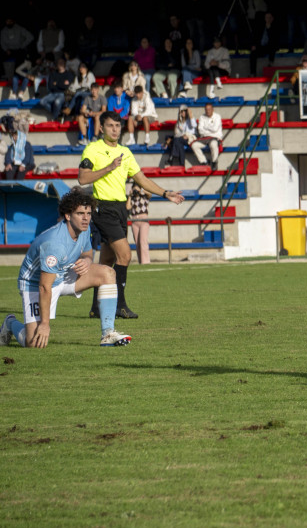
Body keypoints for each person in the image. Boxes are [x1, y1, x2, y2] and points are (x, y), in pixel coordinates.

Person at [77, 111, 185, 319]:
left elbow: (142, 179)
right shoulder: (93, 149)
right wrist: (109, 167)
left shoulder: (125, 152)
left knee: (108, 259)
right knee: (125, 255)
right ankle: (119, 305)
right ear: (101, 128)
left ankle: (96, 307)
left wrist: (165, 193)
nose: (115, 129)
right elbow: (82, 178)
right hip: (102, 207)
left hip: (120, 209)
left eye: (118, 126)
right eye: (110, 126)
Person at [0, 187, 131, 349]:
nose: (86, 218)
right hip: (35, 284)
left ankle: (108, 333)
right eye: (80, 214)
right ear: (68, 216)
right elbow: (44, 286)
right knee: (33, 343)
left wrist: (87, 260)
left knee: (108, 273)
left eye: (88, 214)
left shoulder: (84, 229)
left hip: (63, 275)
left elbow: (88, 251)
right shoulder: (54, 243)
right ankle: (10, 322)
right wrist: (45, 324)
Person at [39, 59, 75, 123]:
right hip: (53, 93)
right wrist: (62, 83)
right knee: (42, 101)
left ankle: (55, 118)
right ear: (57, 65)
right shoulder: (53, 74)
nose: (60, 64)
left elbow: (66, 87)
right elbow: (50, 86)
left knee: (57, 102)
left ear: (64, 64)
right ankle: (58, 113)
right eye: (59, 63)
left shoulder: (69, 74)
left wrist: (56, 83)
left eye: (62, 63)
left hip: (63, 94)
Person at [191, 103, 223, 168]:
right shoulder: (202, 117)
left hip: (215, 137)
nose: (208, 111)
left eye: (209, 109)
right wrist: (209, 130)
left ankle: (214, 162)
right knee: (194, 145)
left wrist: (205, 127)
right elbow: (200, 130)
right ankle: (204, 162)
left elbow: (215, 129)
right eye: (206, 109)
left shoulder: (217, 116)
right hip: (204, 138)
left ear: (212, 109)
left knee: (213, 144)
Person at [127, 181, 151, 265]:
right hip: (134, 220)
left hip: (143, 219)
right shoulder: (132, 198)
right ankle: (141, 261)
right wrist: (130, 196)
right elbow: (127, 207)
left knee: (143, 241)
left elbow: (150, 194)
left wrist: (141, 191)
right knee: (137, 243)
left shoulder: (144, 197)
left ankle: (146, 262)